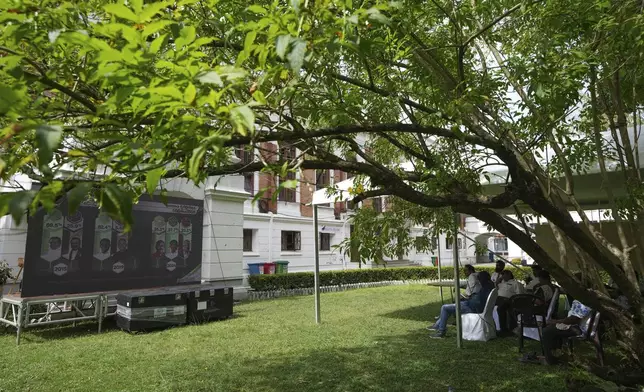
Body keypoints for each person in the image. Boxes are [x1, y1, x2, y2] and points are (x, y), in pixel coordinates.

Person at [430, 271, 494, 338]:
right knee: (451, 307)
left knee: (445, 307)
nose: (478, 280)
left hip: (472, 308)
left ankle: (441, 331)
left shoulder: (485, 288)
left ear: (482, 279)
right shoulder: (489, 285)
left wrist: (472, 297)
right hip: (471, 305)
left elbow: (478, 302)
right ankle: (438, 325)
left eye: (479, 278)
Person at [540, 299, 593, 365]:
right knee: (552, 329)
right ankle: (556, 356)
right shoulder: (585, 298)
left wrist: (556, 321)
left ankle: (550, 360)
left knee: (547, 331)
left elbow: (573, 319)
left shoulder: (584, 300)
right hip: (577, 326)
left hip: (579, 329)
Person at [495, 270, 525, 334]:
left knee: (501, 308)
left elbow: (519, 295)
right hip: (498, 299)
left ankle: (503, 329)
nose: (502, 276)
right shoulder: (500, 283)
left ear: (509, 274)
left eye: (504, 274)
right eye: (502, 274)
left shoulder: (515, 283)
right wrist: (497, 282)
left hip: (509, 301)